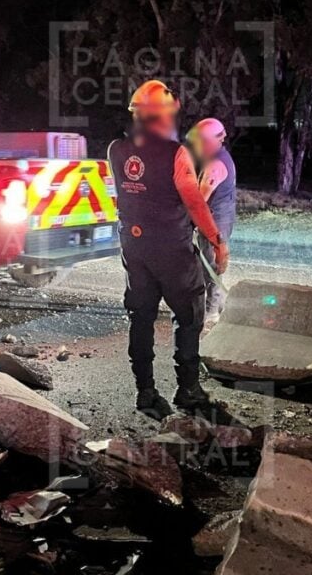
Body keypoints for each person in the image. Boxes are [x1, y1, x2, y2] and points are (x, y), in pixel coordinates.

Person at [108, 80, 230, 420]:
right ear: (162, 116)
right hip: (171, 249)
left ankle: (145, 391)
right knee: (189, 315)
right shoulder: (175, 154)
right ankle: (188, 389)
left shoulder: (116, 149)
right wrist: (217, 241)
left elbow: (127, 193)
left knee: (141, 316)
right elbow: (194, 201)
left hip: (134, 247)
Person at [186, 118, 237, 323]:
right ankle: (219, 304)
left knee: (211, 265)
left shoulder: (216, 164)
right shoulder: (220, 157)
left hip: (215, 220)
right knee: (211, 263)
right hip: (222, 216)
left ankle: (212, 311)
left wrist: (187, 221)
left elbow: (200, 200)